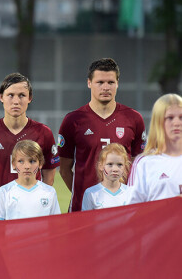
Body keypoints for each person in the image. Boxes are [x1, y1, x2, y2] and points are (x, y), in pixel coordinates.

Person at [58, 58, 145, 212]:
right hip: (83, 210)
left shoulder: (133, 118)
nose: (106, 87)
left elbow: (138, 167)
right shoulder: (73, 120)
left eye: (110, 82)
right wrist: (87, 197)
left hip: (123, 209)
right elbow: (64, 169)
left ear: (117, 83)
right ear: (89, 83)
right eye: (100, 82)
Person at [0, 73, 59, 221]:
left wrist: (31, 201)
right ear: (1, 97)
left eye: (22, 95)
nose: (16, 101)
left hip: (31, 213)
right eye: (10, 95)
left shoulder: (43, 133)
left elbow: (49, 176)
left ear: (30, 98)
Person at [128, 93, 182, 203]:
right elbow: (131, 211)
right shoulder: (144, 163)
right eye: (170, 118)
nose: (177, 123)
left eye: (181, 117)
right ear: (158, 122)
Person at [0, 140, 61, 221]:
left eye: (32, 161)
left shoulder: (49, 192)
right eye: (21, 161)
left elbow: (55, 224)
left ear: (40, 164)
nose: (27, 166)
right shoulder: (4, 191)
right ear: (13, 164)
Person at [82, 143, 131, 211]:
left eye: (119, 164)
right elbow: (86, 220)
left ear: (125, 167)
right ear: (101, 166)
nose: (115, 169)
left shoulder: (131, 193)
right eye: (110, 164)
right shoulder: (91, 193)